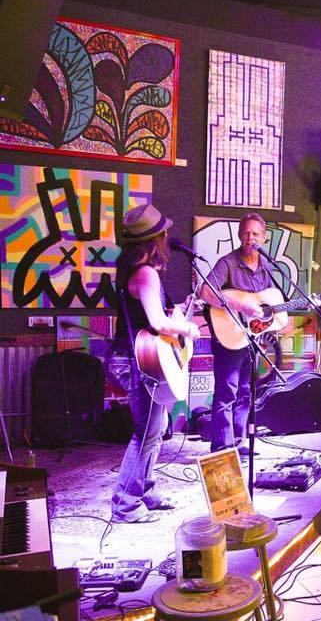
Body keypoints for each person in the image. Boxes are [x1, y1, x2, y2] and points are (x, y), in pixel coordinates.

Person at [112, 205, 200, 523]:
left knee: (156, 429)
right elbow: (158, 322)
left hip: (137, 359)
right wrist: (187, 328)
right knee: (146, 432)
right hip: (138, 362)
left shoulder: (134, 270)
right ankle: (125, 504)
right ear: (157, 238)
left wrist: (183, 311)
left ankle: (144, 489)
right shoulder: (146, 273)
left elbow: (159, 315)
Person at [200, 212, 278, 454]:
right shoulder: (228, 263)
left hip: (251, 339)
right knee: (227, 391)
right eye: (245, 233)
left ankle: (237, 442)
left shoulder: (266, 267)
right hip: (228, 337)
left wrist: (265, 320)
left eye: (255, 234)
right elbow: (205, 292)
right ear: (239, 235)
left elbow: (267, 303)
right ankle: (222, 448)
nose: (250, 238)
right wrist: (240, 305)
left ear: (263, 238)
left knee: (245, 392)